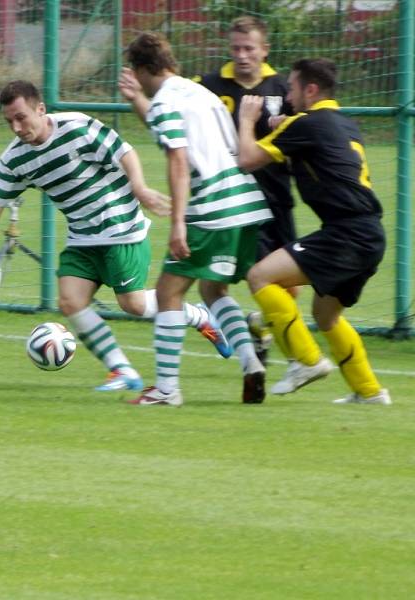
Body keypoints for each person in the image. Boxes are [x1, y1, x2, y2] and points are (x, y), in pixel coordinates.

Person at [0, 80, 232, 393]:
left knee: (132, 305)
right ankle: (123, 371)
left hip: (121, 228)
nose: (16, 127)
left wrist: (140, 187)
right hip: (82, 236)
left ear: (41, 109)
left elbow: (125, 152)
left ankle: (200, 316)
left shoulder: (78, 128)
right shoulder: (14, 159)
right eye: (9, 121)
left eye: (21, 117)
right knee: (69, 300)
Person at [119, 32, 272, 406]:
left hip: (212, 204)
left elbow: (178, 160)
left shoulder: (165, 102)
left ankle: (167, 390)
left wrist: (178, 224)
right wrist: (140, 101)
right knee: (213, 290)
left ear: (140, 70)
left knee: (169, 292)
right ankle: (251, 363)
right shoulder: (199, 92)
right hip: (245, 199)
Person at [238, 58, 390, 405]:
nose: (288, 94)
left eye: (292, 87)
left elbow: (246, 158)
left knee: (260, 276)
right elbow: (318, 154)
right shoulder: (343, 123)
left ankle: (306, 362)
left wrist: (247, 121)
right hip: (369, 235)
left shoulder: (307, 123)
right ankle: (368, 391)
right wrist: (288, 126)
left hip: (346, 233)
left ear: (310, 89)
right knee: (326, 314)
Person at [194, 15, 296, 365]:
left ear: (264, 50)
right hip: (228, 202)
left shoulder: (283, 90)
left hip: (275, 200)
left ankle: (259, 327)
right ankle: (255, 344)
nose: (242, 55)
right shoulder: (207, 85)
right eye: (236, 48)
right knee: (215, 283)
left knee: (290, 288)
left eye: (249, 48)